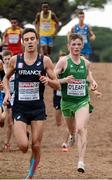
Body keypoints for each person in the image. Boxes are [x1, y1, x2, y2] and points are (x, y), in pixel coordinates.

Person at [3, 28, 59, 179]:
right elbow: (6, 78)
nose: (29, 42)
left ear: (37, 40)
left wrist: (48, 81)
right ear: (23, 42)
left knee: (36, 145)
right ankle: (22, 133)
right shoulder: (16, 60)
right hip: (20, 107)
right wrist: (8, 92)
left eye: (32, 39)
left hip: (37, 109)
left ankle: (31, 175)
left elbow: (57, 85)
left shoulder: (45, 60)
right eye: (26, 39)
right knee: (23, 147)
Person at [54, 33, 97, 173]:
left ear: (82, 46)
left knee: (81, 128)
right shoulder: (63, 61)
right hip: (67, 102)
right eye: (73, 44)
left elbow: (88, 76)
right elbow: (53, 79)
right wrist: (64, 80)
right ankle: (71, 135)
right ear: (69, 46)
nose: (76, 47)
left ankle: (81, 162)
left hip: (82, 101)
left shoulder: (86, 62)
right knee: (73, 130)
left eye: (79, 44)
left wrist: (93, 83)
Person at [2, 50, 14, 151]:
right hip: (2, 95)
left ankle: (7, 143)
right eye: (5, 59)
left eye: (9, 59)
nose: (7, 61)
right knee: (2, 118)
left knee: (10, 123)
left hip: (13, 96)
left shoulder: (15, 68)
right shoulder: (1, 70)